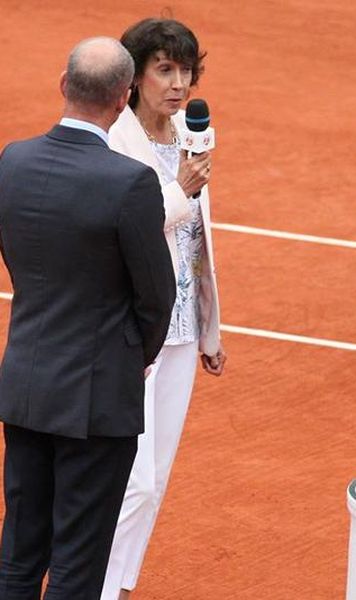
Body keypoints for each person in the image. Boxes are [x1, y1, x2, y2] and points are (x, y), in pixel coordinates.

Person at [0, 36, 176, 600]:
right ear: (124, 97)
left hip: (26, 385)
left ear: (63, 84)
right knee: (78, 565)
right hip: (98, 404)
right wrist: (138, 356)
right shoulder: (129, 182)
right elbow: (156, 297)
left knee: (18, 558)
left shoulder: (13, 160)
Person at [101, 18, 226, 600]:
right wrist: (180, 189)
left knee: (159, 478)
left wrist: (209, 329)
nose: (179, 84)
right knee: (133, 481)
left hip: (178, 328)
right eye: (164, 70)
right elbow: (122, 232)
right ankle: (94, 586)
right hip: (131, 328)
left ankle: (121, 586)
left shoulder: (188, 135)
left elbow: (199, 242)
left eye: (185, 71)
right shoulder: (114, 142)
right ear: (134, 76)